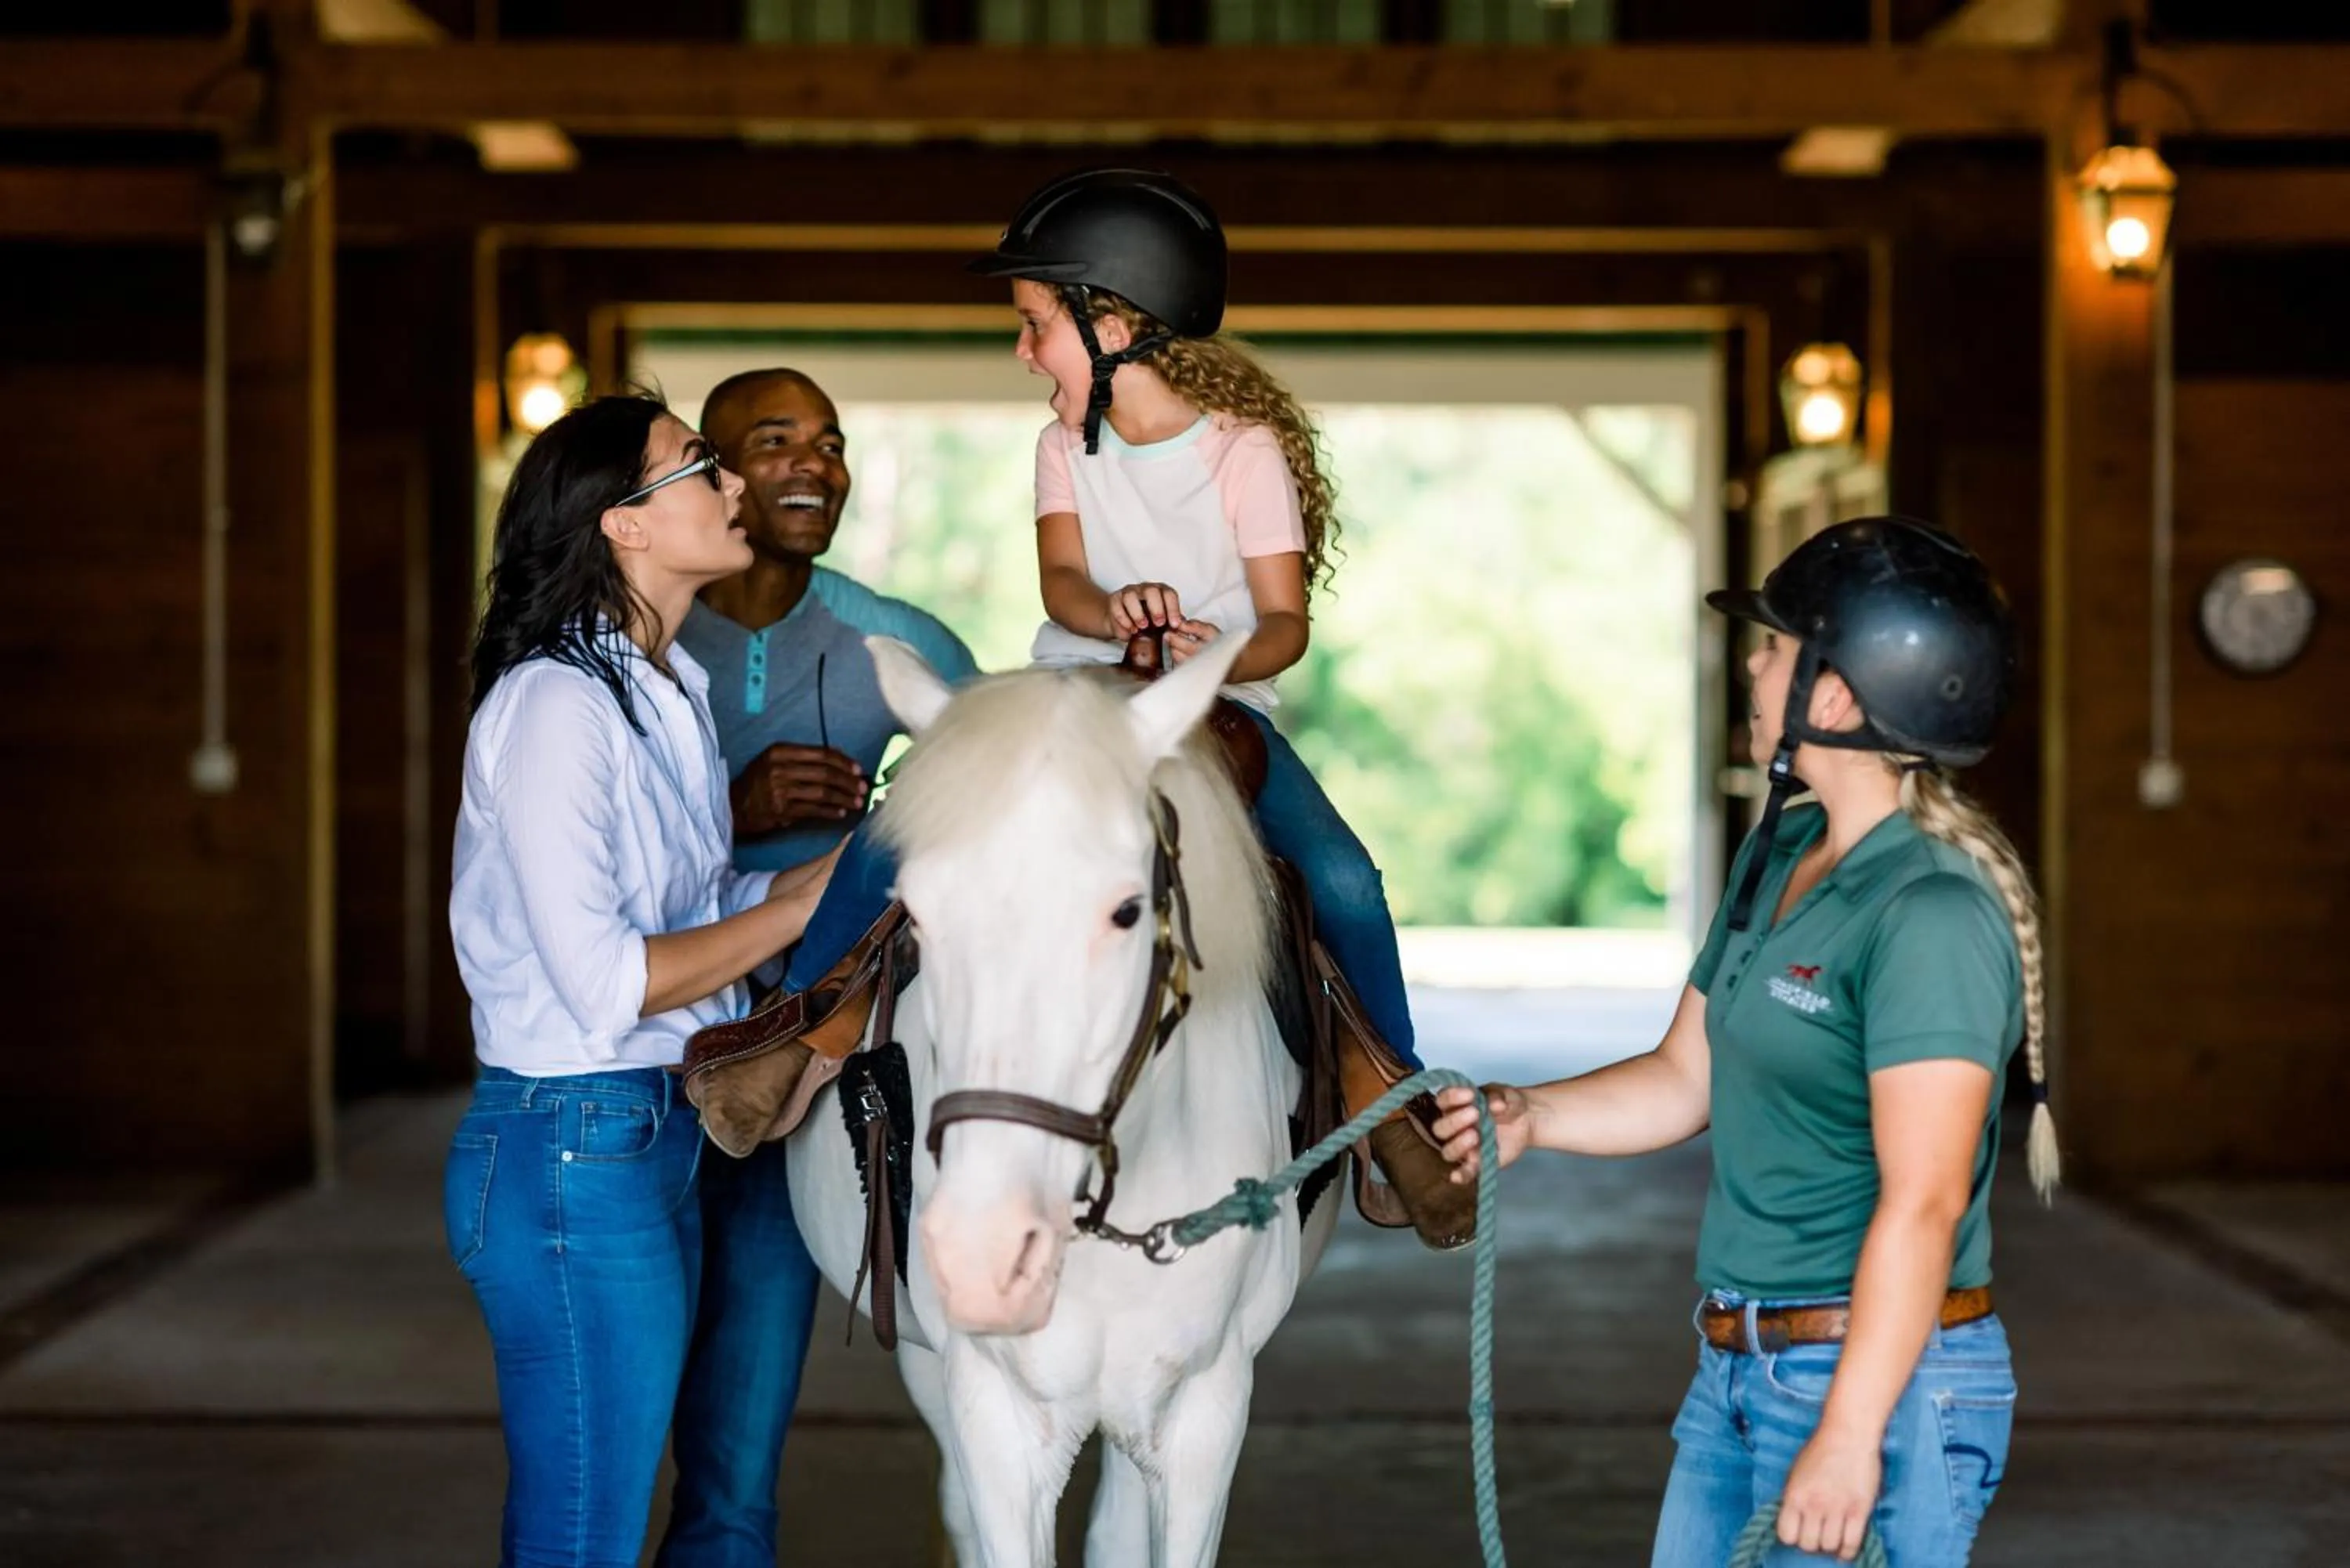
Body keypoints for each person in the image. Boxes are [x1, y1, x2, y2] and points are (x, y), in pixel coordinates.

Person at [705, 168, 1476, 1251]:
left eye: (1035, 327)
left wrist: (1210, 654)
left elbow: (1285, 620)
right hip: (1073, 694)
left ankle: (1388, 1103)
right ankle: (809, 1030)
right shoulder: (1062, 445)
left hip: (1213, 715)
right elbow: (1061, 584)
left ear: (1113, 324)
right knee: (907, 825)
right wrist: (1114, 612)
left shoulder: (1241, 455)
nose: (1023, 354)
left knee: (1343, 876)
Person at [1434, 516, 2059, 1566]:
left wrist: (1852, 1435)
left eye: (1775, 645)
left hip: (1874, 1385)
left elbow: (1925, 1200)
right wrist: (1533, 1115)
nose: (1754, 665)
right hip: (1737, 1365)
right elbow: (1688, 1075)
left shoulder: (1932, 914)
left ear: (1836, 697)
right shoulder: (1784, 852)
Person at [441, 395, 835, 1568]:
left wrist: (864, 868)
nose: (731, 486)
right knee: (584, 1539)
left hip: (658, 1123)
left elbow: (700, 920)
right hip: (574, 1140)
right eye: (698, 466)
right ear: (625, 525)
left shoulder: (666, 693)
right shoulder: (556, 703)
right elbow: (610, 978)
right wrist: (800, 904)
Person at [655, 369, 975, 1568]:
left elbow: (1016, 801)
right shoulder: (639, 634)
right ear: (714, 472)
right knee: (610, 1443)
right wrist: (730, 808)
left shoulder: (891, 635)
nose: (815, 464)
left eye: (831, 443)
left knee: (735, 1462)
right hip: (629, 1076)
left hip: (799, 1079)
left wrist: (909, 815)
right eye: (777, 440)